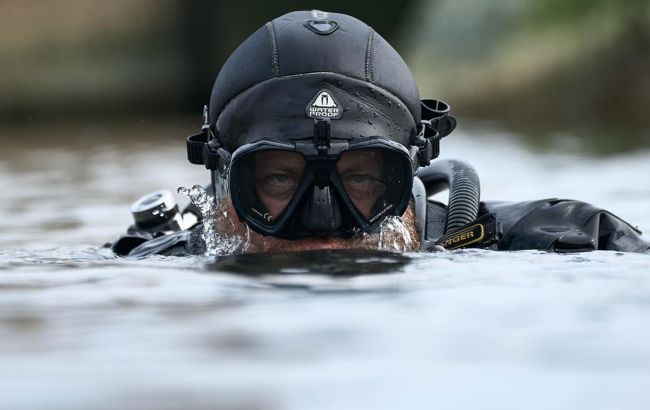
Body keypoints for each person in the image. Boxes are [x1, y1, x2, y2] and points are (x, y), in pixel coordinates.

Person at [110, 10, 648, 257]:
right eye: (277, 178)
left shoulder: (577, 243)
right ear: (223, 178)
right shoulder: (154, 263)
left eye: (363, 177)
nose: (324, 223)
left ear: (407, 171)